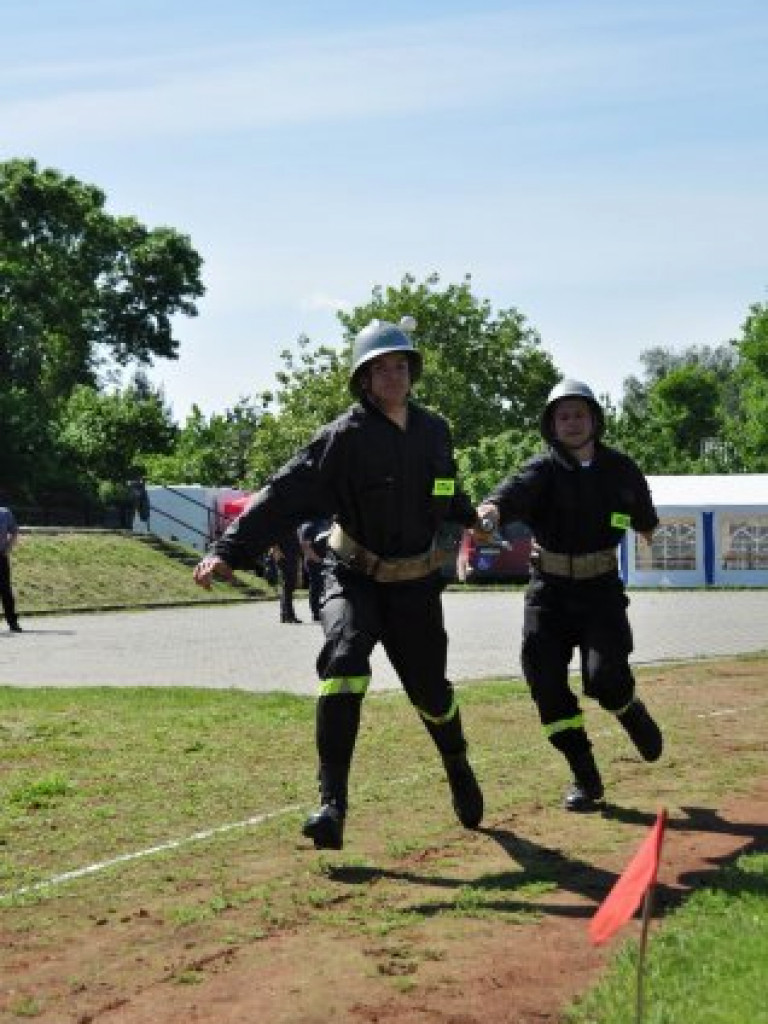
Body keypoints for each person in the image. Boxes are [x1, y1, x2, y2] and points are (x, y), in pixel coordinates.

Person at [193, 318, 484, 849]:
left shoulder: (434, 431)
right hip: (350, 574)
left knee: (430, 690)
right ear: (364, 380)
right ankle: (332, 805)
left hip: (414, 585)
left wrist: (471, 516)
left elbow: (444, 490)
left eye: (401, 365)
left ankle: (457, 763)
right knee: (345, 658)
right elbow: (280, 495)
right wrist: (226, 551)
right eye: (381, 368)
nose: (394, 375)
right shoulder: (340, 439)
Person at [476, 379, 663, 812]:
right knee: (545, 684)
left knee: (604, 681)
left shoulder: (622, 469)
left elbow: (644, 517)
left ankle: (628, 707)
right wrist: (489, 512)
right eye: (563, 416)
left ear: (594, 419)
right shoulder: (541, 471)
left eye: (579, 414)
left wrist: (649, 530)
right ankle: (585, 775)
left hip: (601, 593)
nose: (572, 423)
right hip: (550, 594)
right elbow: (507, 496)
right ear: (552, 425)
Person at [298, 516, 331, 621]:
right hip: (314, 561)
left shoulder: (325, 522)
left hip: (326, 560)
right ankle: (316, 613)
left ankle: (324, 610)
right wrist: (318, 559)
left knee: (324, 587)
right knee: (316, 587)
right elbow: (305, 546)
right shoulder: (308, 526)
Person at [271, 528, 303, 623]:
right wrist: (277, 553)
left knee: (288, 586)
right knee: (288, 586)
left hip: (291, 556)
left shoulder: (291, 523)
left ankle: (285, 615)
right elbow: (272, 540)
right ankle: (289, 615)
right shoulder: (280, 523)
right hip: (284, 557)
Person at [0, 502, 22, 633]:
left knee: (5, 590)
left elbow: (14, 531)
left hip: (0, 556)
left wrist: (8, 548)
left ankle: (12, 622)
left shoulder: (4, 513)